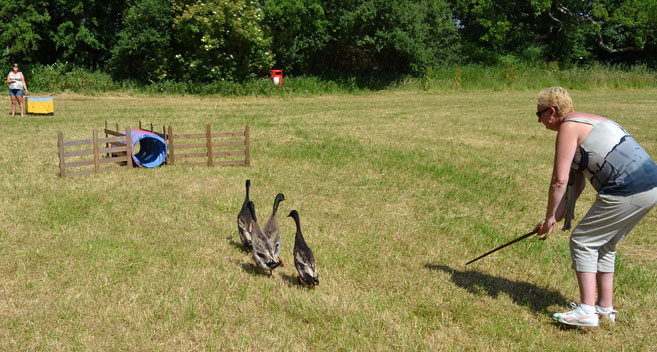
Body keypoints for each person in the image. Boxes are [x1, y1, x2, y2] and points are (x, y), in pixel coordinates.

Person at [534, 86, 657, 327]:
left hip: (627, 188)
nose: (539, 121)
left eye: (538, 114)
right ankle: (604, 309)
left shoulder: (568, 128)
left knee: (583, 241)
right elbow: (574, 186)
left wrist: (550, 215)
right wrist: (553, 219)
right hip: (651, 185)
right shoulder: (588, 121)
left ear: (551, 112)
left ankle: (586, 311)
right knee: (605, 243)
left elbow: (559, 181)